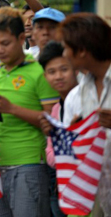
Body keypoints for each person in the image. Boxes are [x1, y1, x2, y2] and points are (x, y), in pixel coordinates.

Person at [0, 7, 60, 217]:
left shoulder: (40, 72)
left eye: (5, 43)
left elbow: (53, 123)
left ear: (22, 38)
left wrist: (11, 108)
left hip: (30, 163)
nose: (0, 50)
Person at [40, 13, 111, 215]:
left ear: (81, 51)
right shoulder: (75, 97)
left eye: (66, 47)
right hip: (95, 196)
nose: (63, 53)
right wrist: (59, 134)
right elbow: (72, 152)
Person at [37, 41, 78, 217]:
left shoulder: (85, 101)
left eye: (64, 69)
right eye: (52, 72)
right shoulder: (56, 110)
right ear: (45, 76)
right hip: (62, 184)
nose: (58, 76)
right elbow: (49, 153)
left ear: (76, 70)